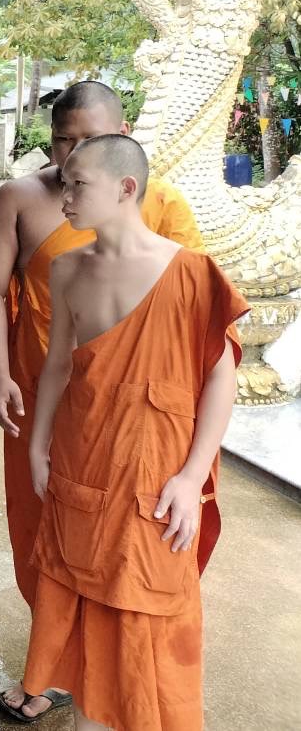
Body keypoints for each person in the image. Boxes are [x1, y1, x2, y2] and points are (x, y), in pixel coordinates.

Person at [0, 79, 205, 723]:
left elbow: (204, 333)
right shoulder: (21, 198)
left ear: (123, 137)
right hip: (44, 392)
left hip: (137, 415)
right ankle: (49, 666)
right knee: (45, 534)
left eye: (89, 142)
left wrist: (189, 453)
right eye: (61, 142)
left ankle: (118, 679)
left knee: (132, 548)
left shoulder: (161, 203)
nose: (69, 158)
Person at [22, 135, 246, 731]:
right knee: (82, 604)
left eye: (77, 185)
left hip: (157, 476)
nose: (64, 197)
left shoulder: (192, 273)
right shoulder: (68, 268)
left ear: (125, 189)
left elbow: (221, 378)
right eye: (63, 183)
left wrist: (192, 477)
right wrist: (37, 448)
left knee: (150, 612)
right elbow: (58, 368)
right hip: (82, 462)